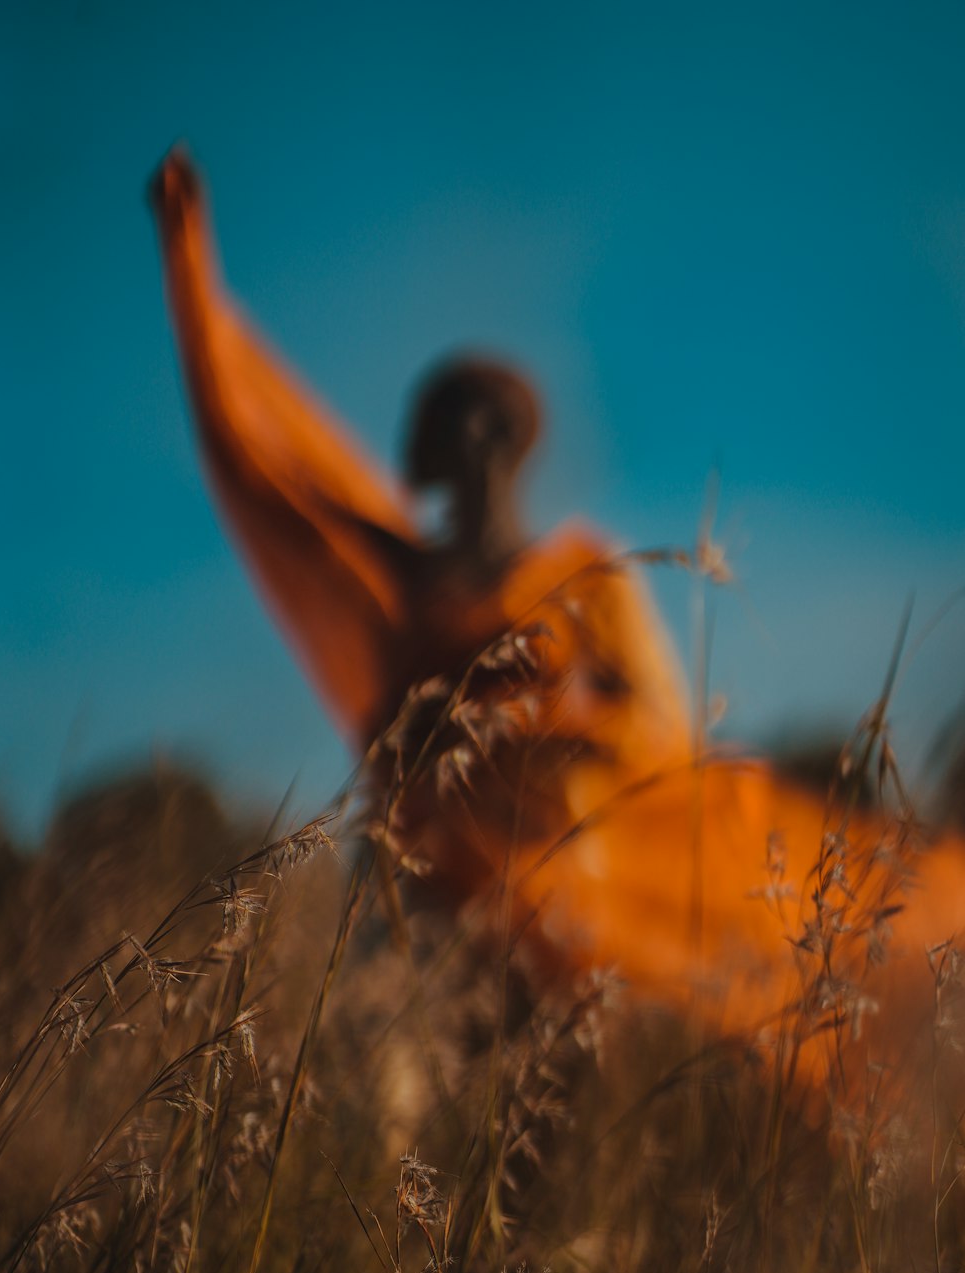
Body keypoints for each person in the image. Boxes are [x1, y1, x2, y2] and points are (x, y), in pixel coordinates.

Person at [152, 149, 965, 1120]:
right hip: (423, 900)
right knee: (391, 1103)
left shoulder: (583, 576)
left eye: (432, 415)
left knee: (551, 1119)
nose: (404, 439)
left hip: (569, 905)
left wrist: (537, 728)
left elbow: (655, 723)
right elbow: (267, 469)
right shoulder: (396, 569)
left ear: (488, 436)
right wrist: (188, 270)